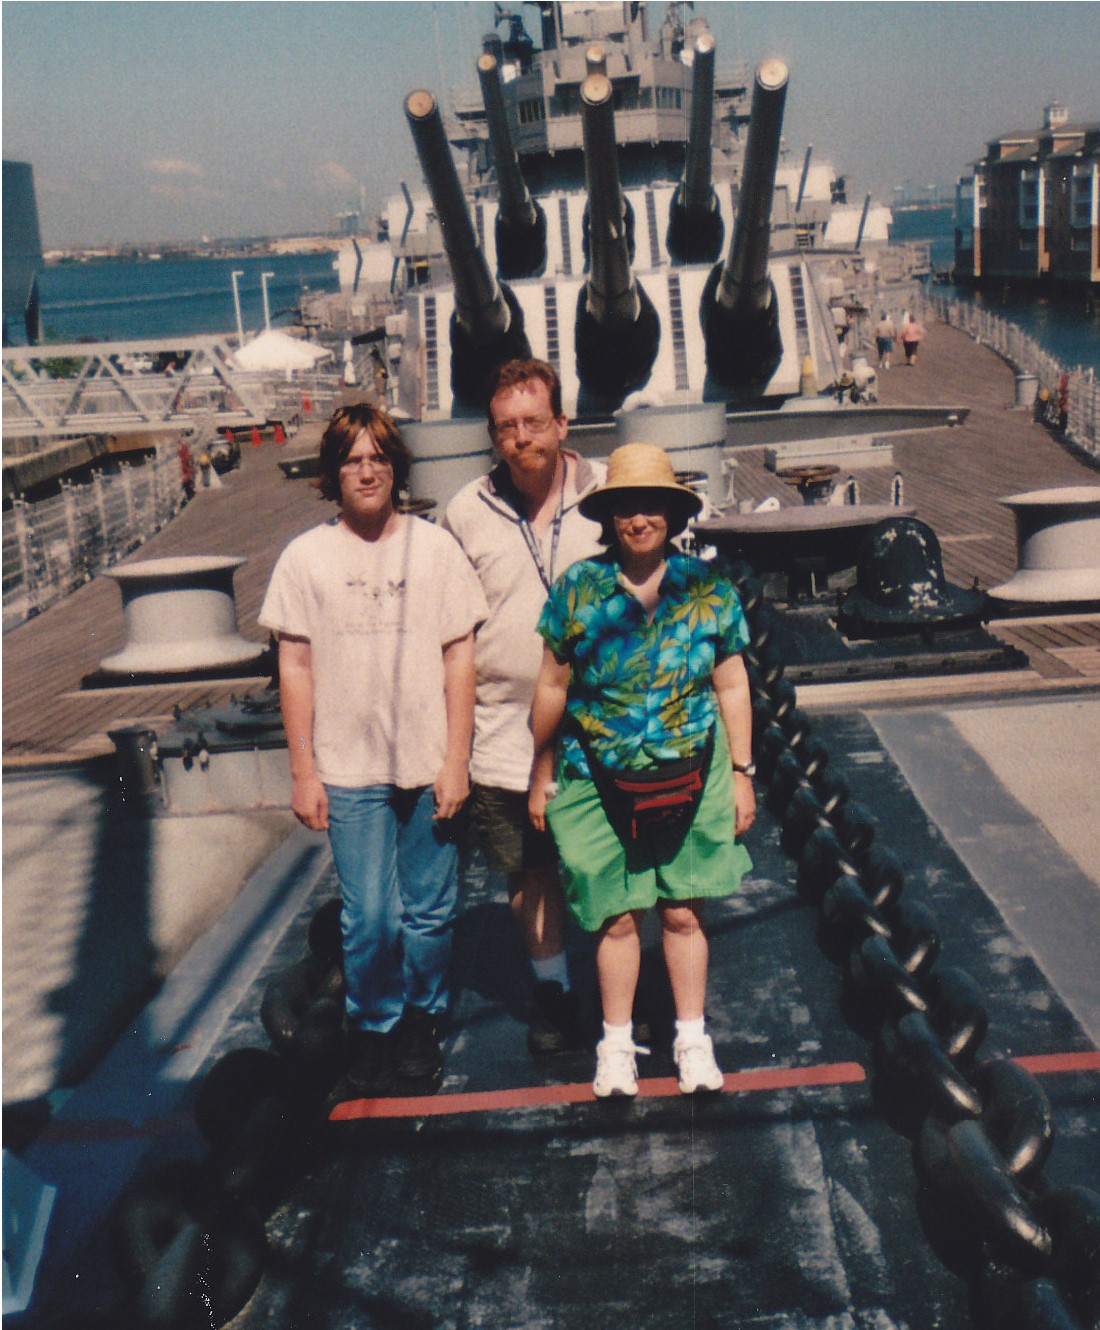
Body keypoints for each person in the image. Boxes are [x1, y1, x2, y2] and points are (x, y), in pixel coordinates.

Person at [260, 403, 488, 1094]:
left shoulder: (436, 549)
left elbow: (460, 658)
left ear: (397, 468)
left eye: (379, 458)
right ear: (334, 472)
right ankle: (374, 1022)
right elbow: (295, 669)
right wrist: (303, 772)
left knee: (429, 910)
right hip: (348, 768)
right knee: (370, 916)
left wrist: (455, 761)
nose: (367, 471)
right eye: (353, 460)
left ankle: (422, 1017)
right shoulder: (304, 558)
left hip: (427, 761)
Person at [528, 443, 756, 1098]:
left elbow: (732, 685)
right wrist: (541, 770)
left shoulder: (708, 591)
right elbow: (551, 686)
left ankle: (692, 1039)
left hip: (692, 773)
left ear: (672, 514)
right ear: (610, 517)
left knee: (683, 912)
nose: (639, 519)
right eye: (626, 507)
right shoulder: (578, 589)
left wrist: (743, 772)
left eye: (652, 506)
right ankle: (616, 1045)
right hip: (596, 777)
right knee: (618, 916)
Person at [443, 359, 606, 1055]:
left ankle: (628, 992)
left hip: (606, 727)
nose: (520, 438)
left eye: (534, 422)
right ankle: (553, 992)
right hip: (505, 732)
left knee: (619, 864)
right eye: (506, 427)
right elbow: (451, 628)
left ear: (562, 424)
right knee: (530, 870)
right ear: (492, 436)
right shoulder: (465, 512)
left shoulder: (608, 493)